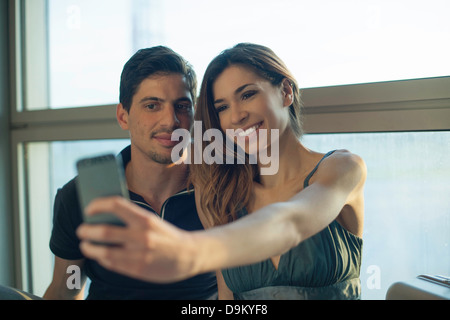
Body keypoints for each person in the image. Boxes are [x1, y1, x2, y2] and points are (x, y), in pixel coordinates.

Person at [77, 43, 367, 300]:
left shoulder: (342, 168)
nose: (237, 116)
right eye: (223, 107)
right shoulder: (220, 192)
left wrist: (189, 252)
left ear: (286, 92)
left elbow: (289, 223)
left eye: (248, 94)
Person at [44, 46, 217, 300]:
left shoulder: (220, 188)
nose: (171, 121)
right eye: (152, 106)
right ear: (123, 116)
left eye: (182, 106)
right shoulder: (81, 195)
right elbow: (66, 287)